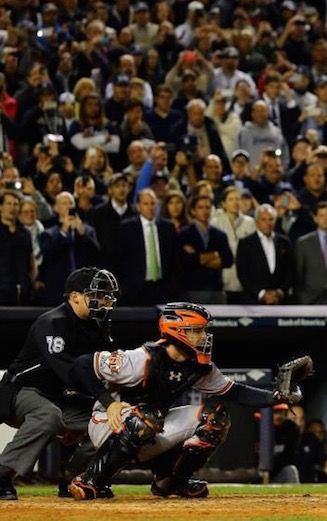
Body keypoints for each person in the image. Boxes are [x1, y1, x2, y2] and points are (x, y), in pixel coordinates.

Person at [66, 302, 309, 499]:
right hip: (108, 424)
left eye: (204, 330)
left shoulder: (198, 366)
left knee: (215, 418)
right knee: (148, 418)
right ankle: (91, 480)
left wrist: (277, 396)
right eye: (197, 330)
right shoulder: (143, 359)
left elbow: (233, 391)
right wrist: (109, 402)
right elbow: (82, 365)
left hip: (150, 425)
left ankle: (172, 481)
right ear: (178, 331)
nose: (204, 336)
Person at [0, 267, 119, 500]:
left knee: (111, 424)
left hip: (57, 396)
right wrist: (104, 399)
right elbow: (70, 373)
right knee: (49, 415)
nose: (104, 301)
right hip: (19, 390)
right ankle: (2, 475)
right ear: (75, 296)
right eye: (97, 295)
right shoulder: (53, 322)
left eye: (107, 296)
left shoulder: (97, 327)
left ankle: (77, 479)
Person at [116, 189, 180, 305]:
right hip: (136, 290)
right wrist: (122, 286)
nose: (150, 207)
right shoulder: (127, 228)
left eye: (153, 203)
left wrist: (174, 287)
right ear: (138, 206)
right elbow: (118, 259)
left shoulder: (168, 227)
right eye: (146, 204)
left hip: (163, 288)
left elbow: (175, 260)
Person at [178, 194, 234, 304]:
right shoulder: (184, 234)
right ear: (193, 211)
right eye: (200, 207)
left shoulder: (219, 235)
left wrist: (198, 257)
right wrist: (216, 255)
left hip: (216, 291)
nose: (205, 211)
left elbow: (228, 260)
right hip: (192, 291)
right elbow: (185, 261)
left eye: (207, 207)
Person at [235, 204, 293, 305]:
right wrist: (262, 294)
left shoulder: (284, 242)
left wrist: (279, 293)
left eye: (271, 219)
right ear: (257, 222)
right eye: (264, 219)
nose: (268, 223)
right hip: (253, 302)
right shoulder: (245, 243)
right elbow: (243, 274)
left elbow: (291, 271)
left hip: (281, 302)